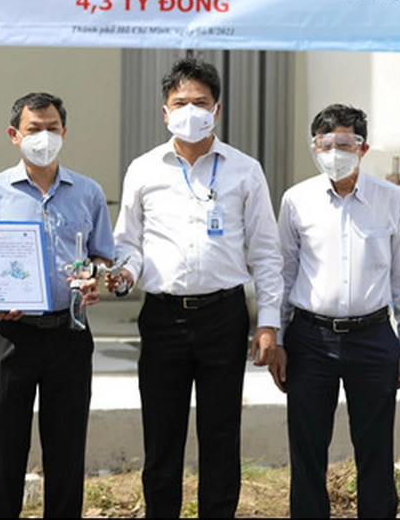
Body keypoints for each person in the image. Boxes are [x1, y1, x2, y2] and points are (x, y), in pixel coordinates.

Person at [109, 57, 282, 518]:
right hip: (163, 316)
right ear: (165, 112)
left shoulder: (244, 170)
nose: (190, 111)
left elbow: (266, 252)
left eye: (200, 102)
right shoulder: (144, 169)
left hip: (224, 316)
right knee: (161, 437)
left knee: (221, 435)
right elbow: (128, 243)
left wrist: (268, 323)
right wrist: (124, 274)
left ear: (217, 110)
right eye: (180, 102)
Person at [0, 92, 115, 518]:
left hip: (68, 333)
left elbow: (101, 255)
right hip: (10, 337)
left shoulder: (89, 192)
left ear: (64, 132)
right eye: (34, 129)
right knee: (5, 450)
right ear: (14, 135)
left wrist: (94, 277)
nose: (44, 137)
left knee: (66, 450)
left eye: (51, 128)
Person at [270, 104, 400, 518]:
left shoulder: (392, 200)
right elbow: (284, 273)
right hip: (310, 338)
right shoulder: (296, 200)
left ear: (363, 148)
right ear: (314, 147)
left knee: (375, 448)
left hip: (373, 336)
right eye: (326, 144)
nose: (335, 152)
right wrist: (277, 337)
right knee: (307, 448)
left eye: (345, 144)